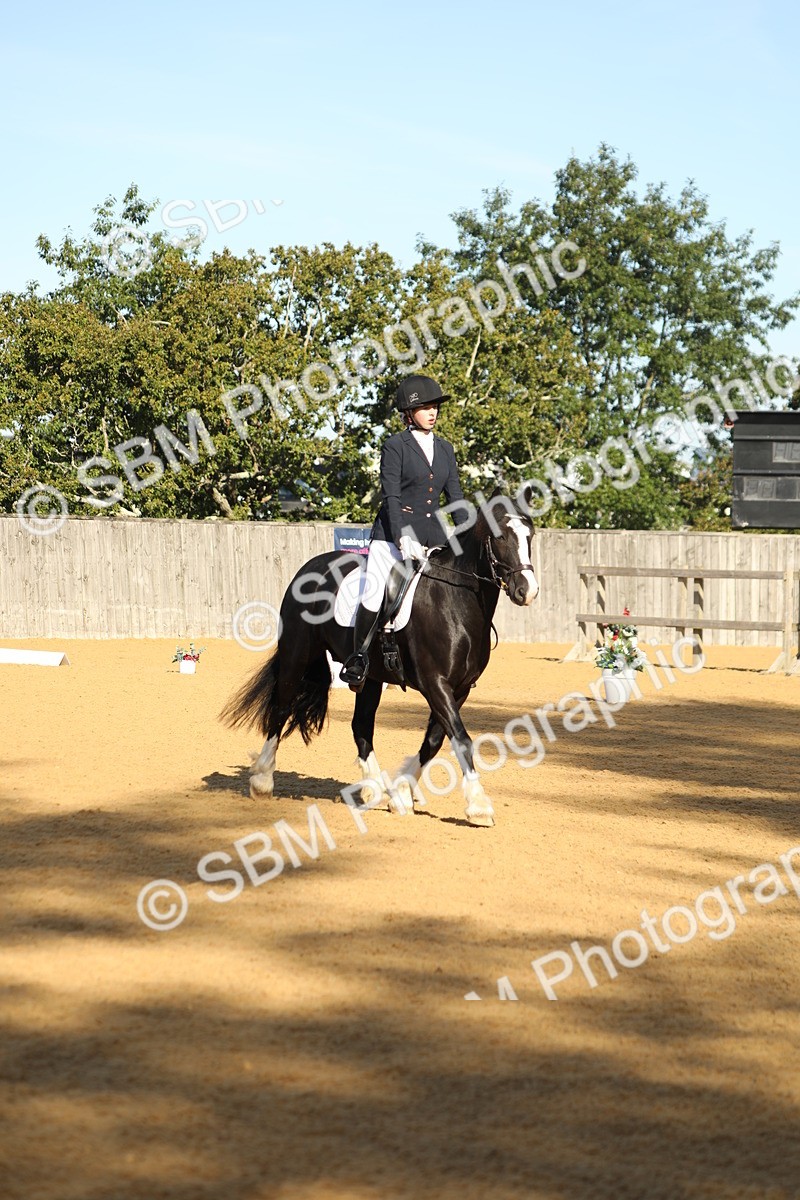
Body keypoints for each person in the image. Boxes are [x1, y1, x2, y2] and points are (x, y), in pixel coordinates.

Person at [339, 374, 465, 690]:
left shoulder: (446, 448)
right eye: (425, 407)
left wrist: (467, 533)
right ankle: (359, 658)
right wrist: (401, 537)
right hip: (392, 534)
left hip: (434, 534)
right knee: (375, 587)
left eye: (435, 406)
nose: (432, 412)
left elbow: (455, 497)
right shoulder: (395, 446)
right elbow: (391, 496)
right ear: (409, 413)